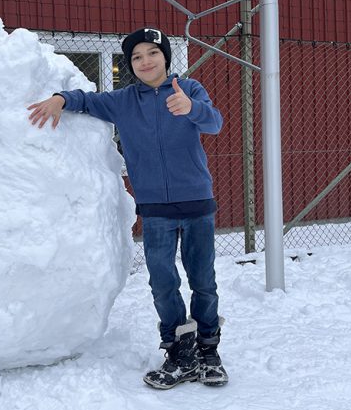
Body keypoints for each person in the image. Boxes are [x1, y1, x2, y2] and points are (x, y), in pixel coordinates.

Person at [27, 27, 227, 390]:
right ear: (130, 64)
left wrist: (191, 108)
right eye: (137, 56)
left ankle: (208, 350)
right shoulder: (123, 101)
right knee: (163, 284)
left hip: (197, 202)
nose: (145, 61)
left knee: (203, 282)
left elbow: (214, 123)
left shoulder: (190, 89)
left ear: (166, 57)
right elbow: (86, 100)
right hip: (155, 209)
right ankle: (179, 352)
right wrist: (60, 98)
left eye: (152, 53)